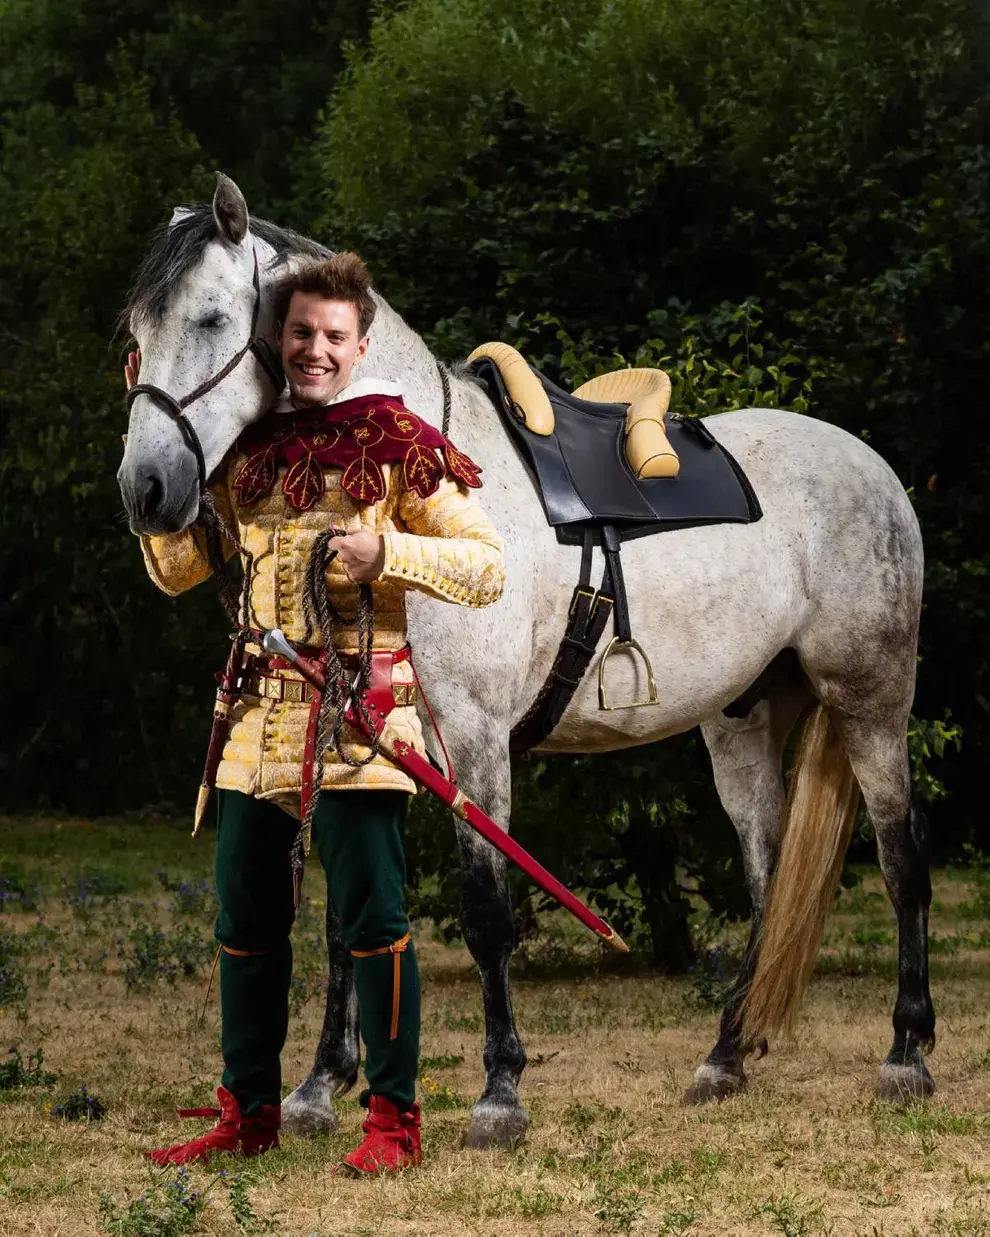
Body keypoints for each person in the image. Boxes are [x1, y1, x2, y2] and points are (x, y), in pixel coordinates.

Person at [128, 253, 504, 1174]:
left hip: (360, 725)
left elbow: (487, 568)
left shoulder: (400, 440)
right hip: (256, 722)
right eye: (300, 332)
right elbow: (177, 571)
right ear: (278, 338)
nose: (315, 350)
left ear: (361, 344)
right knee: (244, 922)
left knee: (373, 923)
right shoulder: (246, 450)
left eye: (334, 335)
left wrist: (390, 554)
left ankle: (394, 1123)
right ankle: (247, 1113)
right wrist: (146, 444)